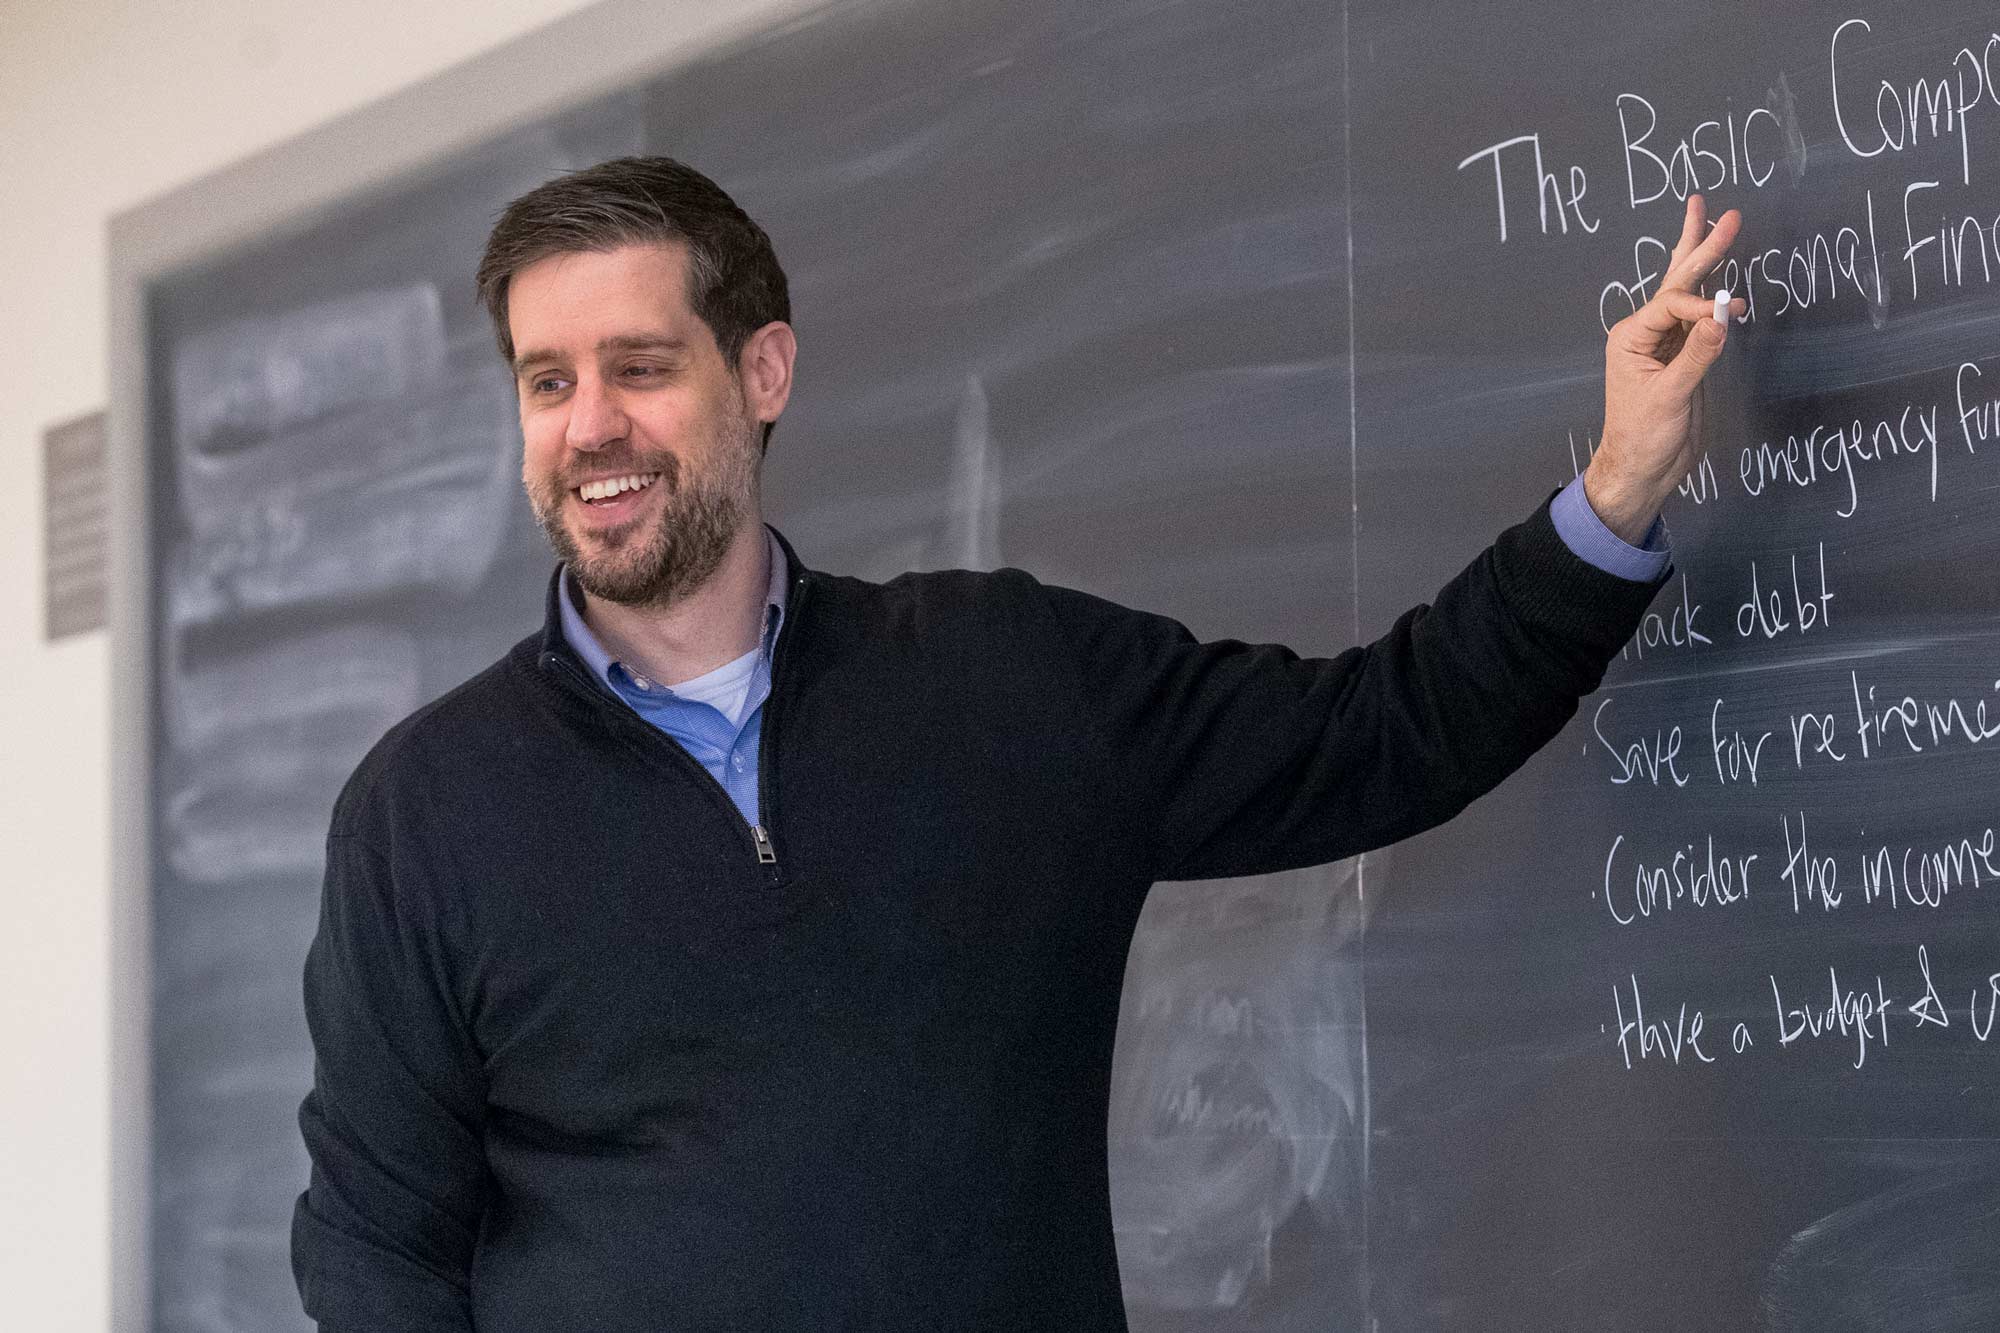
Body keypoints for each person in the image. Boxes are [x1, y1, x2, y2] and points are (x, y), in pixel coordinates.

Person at [290, 155, 1744, 1331]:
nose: (588, 425)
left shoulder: (1006, 680)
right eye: (547, 380)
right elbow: (375, 1255)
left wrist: (1614, 492)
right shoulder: (425, 812)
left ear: (765, 371)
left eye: (640, 367)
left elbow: (1381, 736)